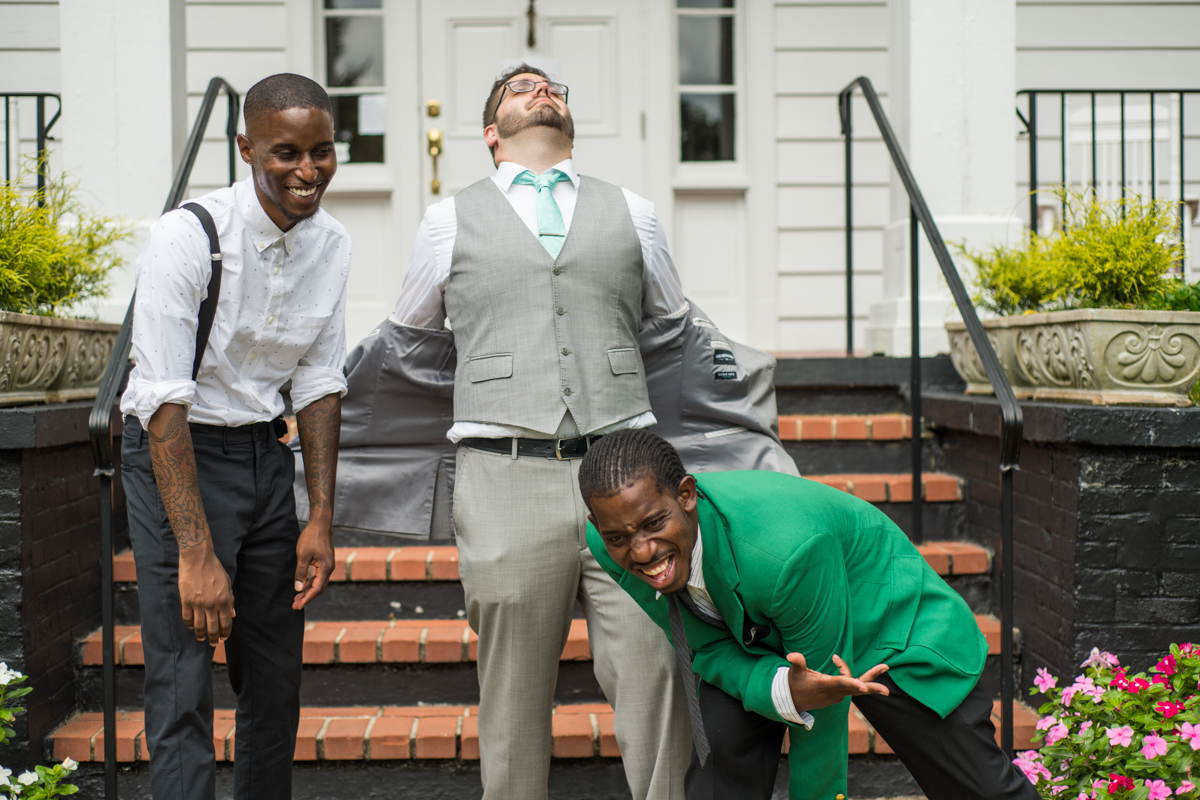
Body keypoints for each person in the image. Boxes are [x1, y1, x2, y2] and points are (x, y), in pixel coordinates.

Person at [386, 63, 691, 800]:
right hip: (503, 473)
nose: (542, 90)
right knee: (514, 691)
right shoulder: (448, 219)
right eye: (521, 88)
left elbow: (674, 329)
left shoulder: (635, 213)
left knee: (655, 671)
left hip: (627, 477)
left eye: (553, 86)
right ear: (492, 132)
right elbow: (407, 341)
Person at [579, 429, 1042, 800]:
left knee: (976, 785)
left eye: (654, 524)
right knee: (723, 755)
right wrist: (779, 686)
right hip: (758, 635)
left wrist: (801, 694)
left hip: (887, 625)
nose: (642, 551)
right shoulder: (609, 545)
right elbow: (706, 646)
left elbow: (825, 719)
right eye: (620, 536)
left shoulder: (786, 553)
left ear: (686, 496)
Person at [119, 73, 350, 800]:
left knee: (275, 677)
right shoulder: (188, 236)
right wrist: (194, 552)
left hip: (262, 455)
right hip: (178, 458)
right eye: (286, 153)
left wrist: (319, 515)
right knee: (183, 680)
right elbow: (160, 405)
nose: (308, 171)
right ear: (245, 146)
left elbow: (317, 382)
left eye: (322, 152)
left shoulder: (332, 243)